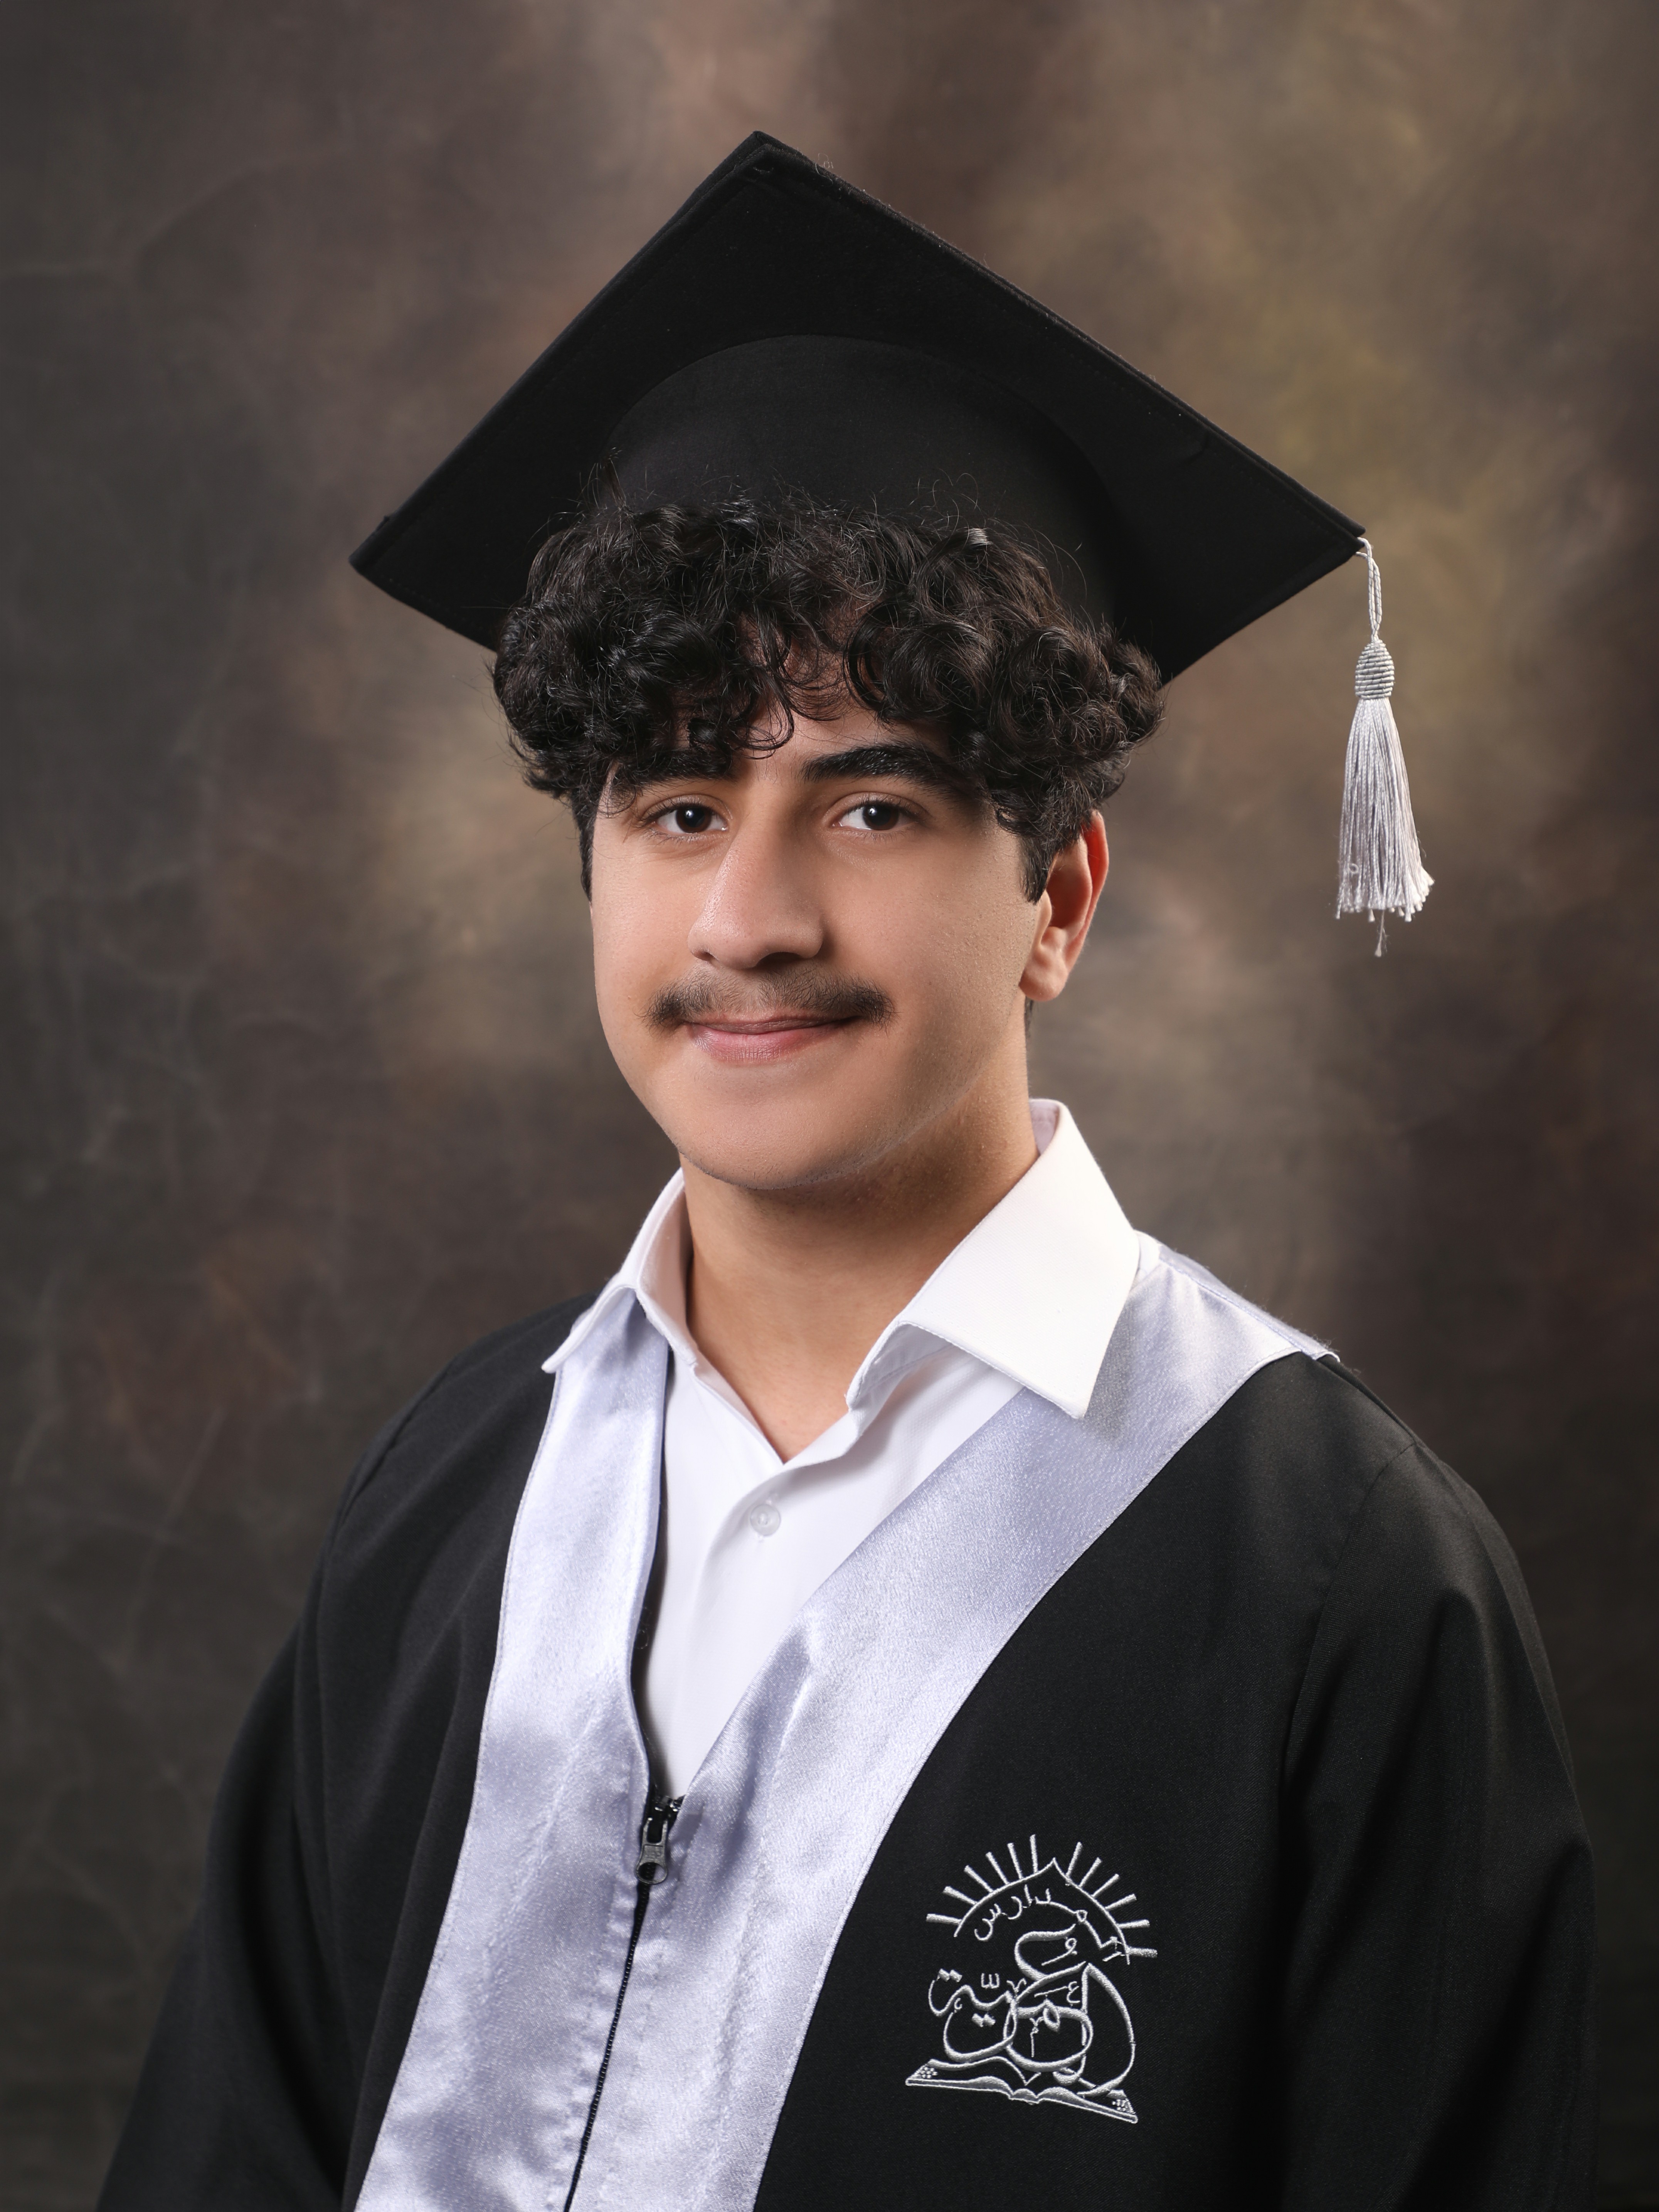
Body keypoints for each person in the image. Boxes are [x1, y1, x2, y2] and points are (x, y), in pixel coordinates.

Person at [100, 136, 1594, 2212]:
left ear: (1057, 899)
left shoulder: (1337, 1575)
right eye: (678, 806)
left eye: (873, 809)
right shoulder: (454, 1493)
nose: (752, 917)